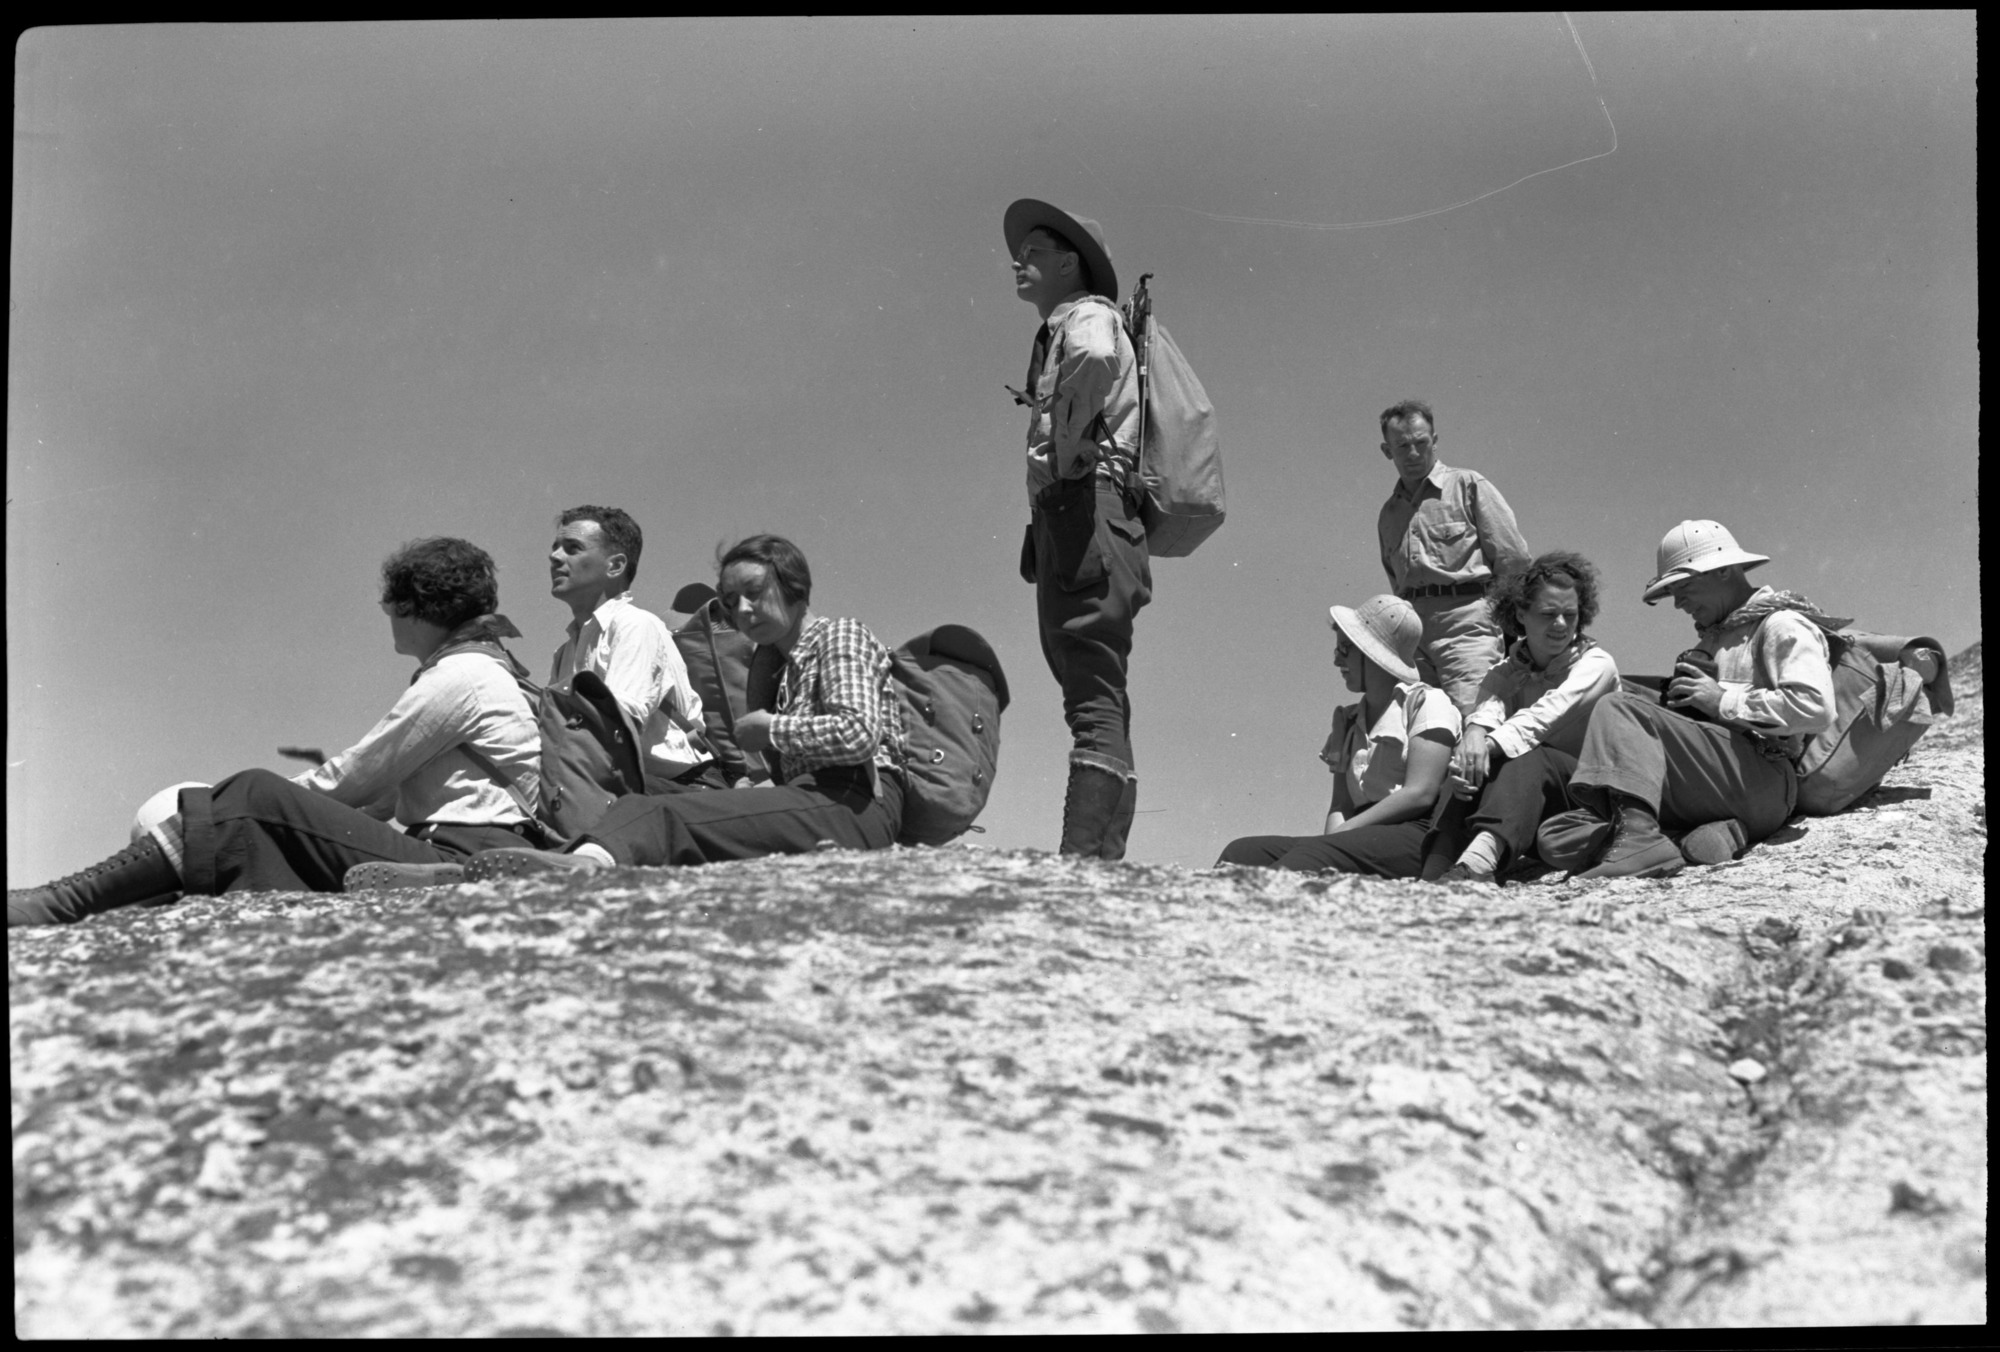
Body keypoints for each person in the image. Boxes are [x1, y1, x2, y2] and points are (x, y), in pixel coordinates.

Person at [8, 538, 543, 927]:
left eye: (390, 608)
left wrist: (238, 804)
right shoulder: (482, 669)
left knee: (250, 795)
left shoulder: (461, 676)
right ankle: (82, 904)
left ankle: (61, 902)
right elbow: (377, 801)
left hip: (457, 859)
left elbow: (352, 781)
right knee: (244, 822)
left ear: (412, 608)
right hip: (448, 853)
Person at [466, 534, 906, 878]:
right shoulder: (780, 665)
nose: (744, 610)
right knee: (626, 799)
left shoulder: (838, 635)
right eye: (732, 603)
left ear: (794, 586)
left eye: (755, 591)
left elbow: (858, 734)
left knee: (656, 812)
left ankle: (578, 870)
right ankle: (542, 859)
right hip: (820, 801)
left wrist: (770, 729)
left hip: (854, 802)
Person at [1555, 519, 1836, 880]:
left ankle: (1641, 841)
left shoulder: (1780, 624)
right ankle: (1701, 836)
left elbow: (1815, 708)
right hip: (1718, 781)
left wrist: (1721, 698)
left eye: (1684, 587)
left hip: (1763, 778)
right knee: (1557, 837)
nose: (1678, 603)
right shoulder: (1712, 640)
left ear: (1723, 572)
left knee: (1619, 709)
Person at [1004, 198, 1150, 860]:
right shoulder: (1075, 321)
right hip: (1091, 514)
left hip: (1084, 508)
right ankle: (1102, 855)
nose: (1018, 262)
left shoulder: (1087, 317)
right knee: (1100, 687)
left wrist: (1068, 458)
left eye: (1033, 252)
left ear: (1070, 264)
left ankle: (1082, 859)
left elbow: (1091, 357)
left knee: (1090, 691)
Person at [1216, 594, 1461, 876]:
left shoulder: (1427, 702)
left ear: (1372, 653)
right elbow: (1341, 805)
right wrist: (1335, 841)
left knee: (1310, 856)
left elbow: (1421, 793)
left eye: (1345, 650)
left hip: (1416, 834)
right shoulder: (1348, 721)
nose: (1336, 661)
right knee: (1241, 852)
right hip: (1357, 836)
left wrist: (1338, 838)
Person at [1422, 551, 1620, 883]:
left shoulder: (1596, 665)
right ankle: (1431, 875)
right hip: (1539, 795)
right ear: (1520, 614)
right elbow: (1487, 711)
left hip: (1594, 793)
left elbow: (1541, 720)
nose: (1560, 625)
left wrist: (1482, 746)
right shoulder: (1507, 669)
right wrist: (1471, 741)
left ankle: (1478, 865)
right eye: (1548, 614)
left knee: (1526, 753)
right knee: (1464, 768)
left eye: (1569, 615)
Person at [547, 505, 719, 792]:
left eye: (572, 548)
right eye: (555, 548)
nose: (554, 557)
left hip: (683, 788)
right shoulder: (564, 652)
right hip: (623, 785)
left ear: (615, 566)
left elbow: (620, 726)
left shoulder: (635, 625)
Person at [1374, 399, 1532, 710]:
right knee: (1420, 730)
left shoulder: (1468, 485)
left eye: (1421, 443)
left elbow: (1513, 560)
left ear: (1434, 441)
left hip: (1468, 625)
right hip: (1413, 637)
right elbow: (1396, 584)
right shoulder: (1388, 514)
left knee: (1475, 720)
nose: (1414, 453)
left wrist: (1504, 623)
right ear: (1387, 451)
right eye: (1403, 446)